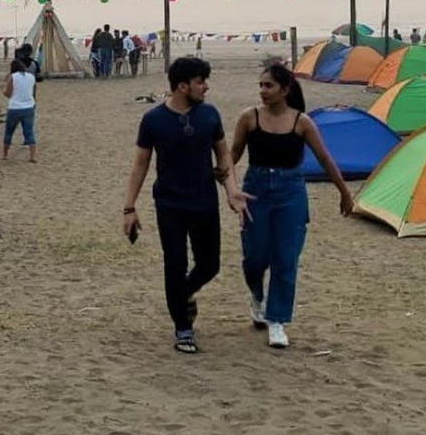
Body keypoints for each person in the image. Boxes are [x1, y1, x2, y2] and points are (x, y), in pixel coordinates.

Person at [122, 57, 246, 354]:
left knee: (209, 265)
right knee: (174, 265)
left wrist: (232, 191)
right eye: (201, 81)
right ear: (182, 86)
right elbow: (140, 164)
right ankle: (183, 327)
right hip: (170, 203)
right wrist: (129, 207)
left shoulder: (210, 115)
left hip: (204, 201)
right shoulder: (153, 120)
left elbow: (223, 155)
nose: (206, 87)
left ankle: (184, 294)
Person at [228, 63, 355, 349]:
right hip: (256, 190)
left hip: (291, 193)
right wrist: (224, 182)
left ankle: (277, 321)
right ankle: (256, 295)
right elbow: (232, 155)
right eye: (261, 85)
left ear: (285, 90)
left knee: (286, 259)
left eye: (269, 86)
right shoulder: (249, 118)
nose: (263, 91)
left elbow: (324, 158)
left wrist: (344, 193)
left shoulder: (302, 122)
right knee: (255, 257)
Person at [1, 57, 37, 163]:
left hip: (15, 107)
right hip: (28, 106)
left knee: (9, 131)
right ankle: (32, 156)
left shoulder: (13, 77)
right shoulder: (31, 77)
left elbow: (8, 93)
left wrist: (2, 89)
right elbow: (33, 93)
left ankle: (5, 154)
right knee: (29, 132)